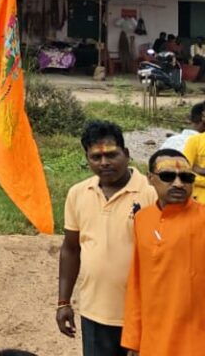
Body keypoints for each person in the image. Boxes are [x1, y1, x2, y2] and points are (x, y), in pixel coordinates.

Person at [55, 121, 157, 356]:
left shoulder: (151, 194)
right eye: (96, 157)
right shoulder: (78, 194)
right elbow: (71, 249)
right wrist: (63, 302)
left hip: (143, 317)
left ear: (127, 154)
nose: (104, 163)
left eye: (112, 155)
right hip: (94, 315)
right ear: (87, 158)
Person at [120, 148, 205, 355]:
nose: (178, 183)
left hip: (196, 341)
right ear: (150, 178)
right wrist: (133, 340)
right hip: (153, 339)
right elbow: (137, 282)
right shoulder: (143, 219)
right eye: (168, 176)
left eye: (186, 177)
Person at [181, 100, 205, 201]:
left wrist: (199, 170)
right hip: (199, 201)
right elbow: (184, 173)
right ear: (203, 116)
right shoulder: (195, 141)